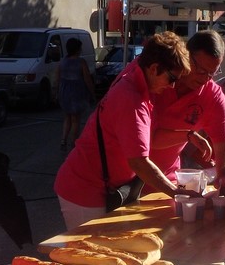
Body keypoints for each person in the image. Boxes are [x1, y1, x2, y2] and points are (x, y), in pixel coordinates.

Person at [53, 32, 193, 230]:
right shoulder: (131, 99)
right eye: (171, 79)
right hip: (84, 188)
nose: (172, 87)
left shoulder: (138, 71)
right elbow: (139, 162)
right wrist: (177, 192)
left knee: (107, 253)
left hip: (98, 186)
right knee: (91, 256)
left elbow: (156, 48)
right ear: (154, 69)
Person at [149, 30, 225, 192]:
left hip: (168, 180)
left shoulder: (213, 95)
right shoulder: (158, 79)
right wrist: (188, 135)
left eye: (212, 73)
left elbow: (224, 144)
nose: (205, 79)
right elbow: (149, 139)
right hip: (128, 177)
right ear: (186, 54)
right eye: (201, 70)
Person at [58, 37, 95, 150]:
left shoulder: (63, 61)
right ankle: (73, 142)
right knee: (75, 119)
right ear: (77, 49)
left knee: (67, 117)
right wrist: (93, 93)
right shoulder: (81, 62)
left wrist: (56, 92)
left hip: (64, 92)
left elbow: (57, 77)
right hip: (76, 93)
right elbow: (87, 79)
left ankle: (63, 140)